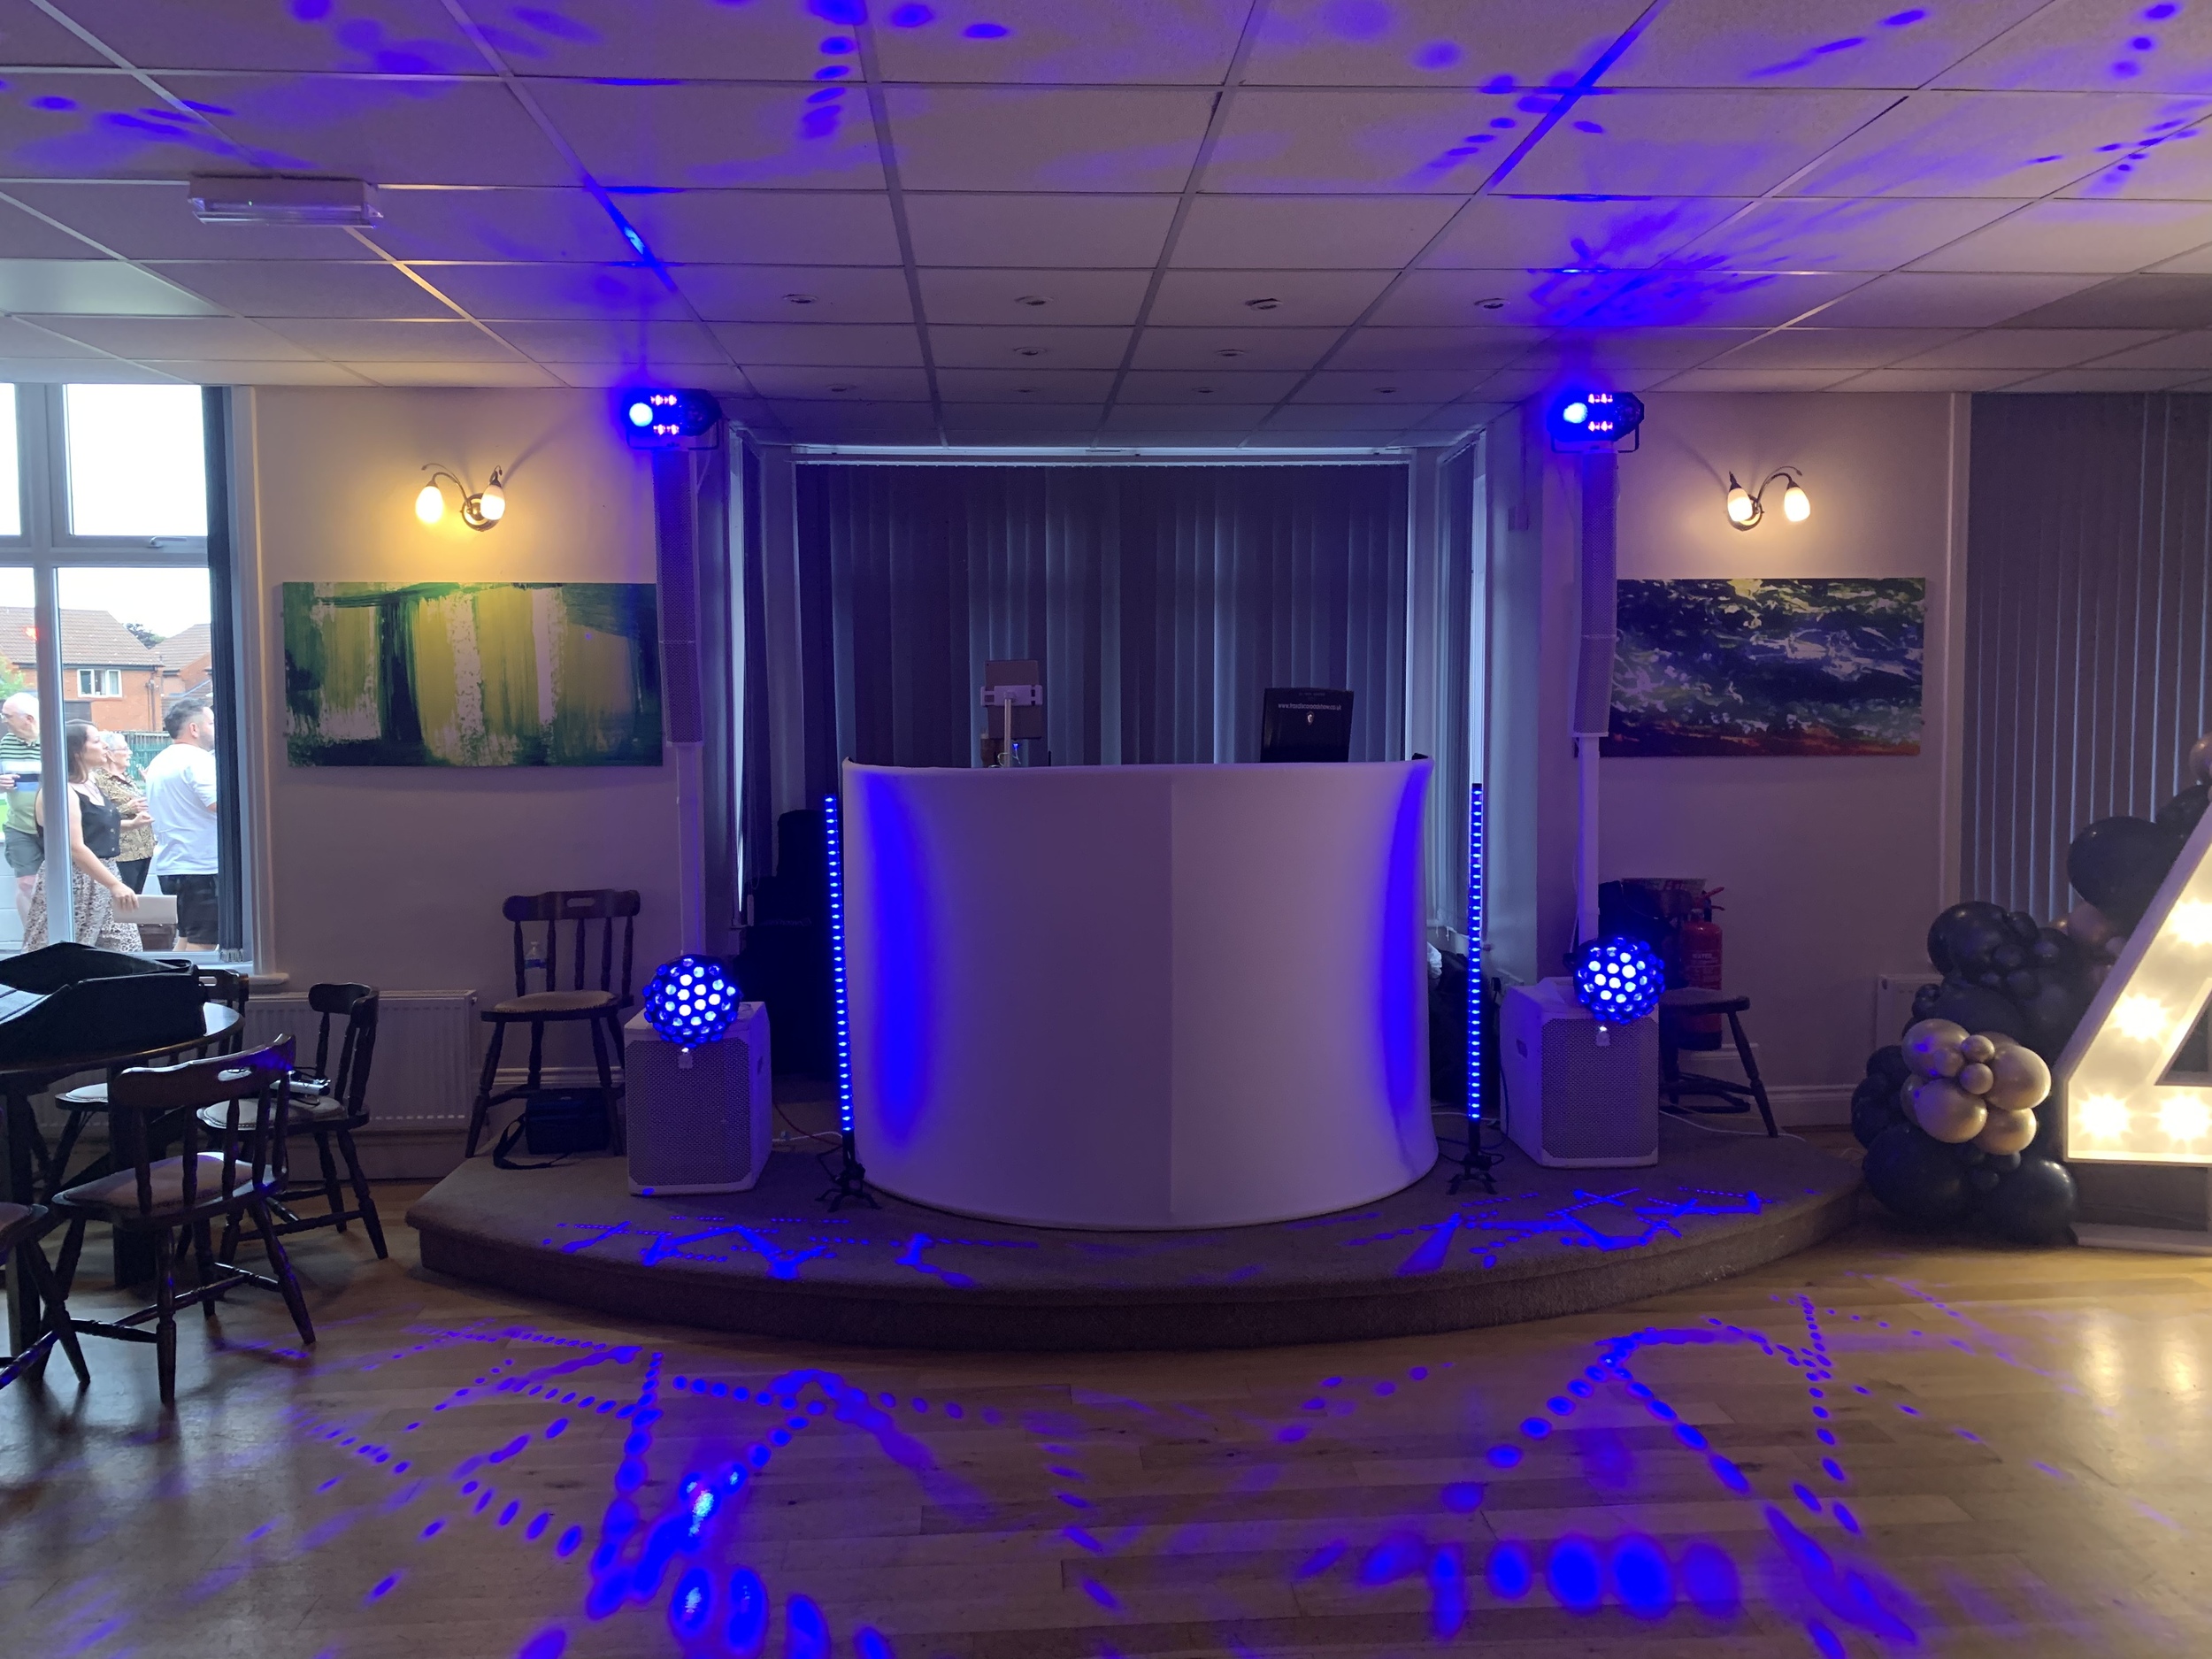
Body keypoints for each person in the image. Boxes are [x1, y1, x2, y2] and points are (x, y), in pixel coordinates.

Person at [26, 720, 142, 952]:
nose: (105, 746)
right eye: (97, 741)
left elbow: (92, 828)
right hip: (75, 878)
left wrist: (131, 825)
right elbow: (74, 847)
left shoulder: (90, 783)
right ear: (77, 751)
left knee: (126, 948)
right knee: (63, 949)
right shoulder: (61, 790)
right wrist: (114, 884)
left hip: (103, 873)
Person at [145, 698, 219, 951]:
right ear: (194, 729)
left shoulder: (160, 761)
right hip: (201, 867)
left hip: (173, 865)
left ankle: (172, 978)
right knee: (204, 944)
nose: (216, 728)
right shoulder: (198, 761)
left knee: (186, 939)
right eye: (211, 723)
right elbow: (219, 804)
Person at [95, 732, 155, 894]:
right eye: (125, 749)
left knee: (136, 898)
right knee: (123, 899)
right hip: (123, 853)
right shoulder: (98, 780)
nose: (130, 753)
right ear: (110, 754)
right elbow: (98, 816)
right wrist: (127, 808)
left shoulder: (126, 778)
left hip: (143, 850)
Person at [0, 691, 40, 927]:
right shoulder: (5, 744)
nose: (4, 720)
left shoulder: (56, 739)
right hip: (19, 826)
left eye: (8, 716)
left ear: (29, 719)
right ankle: (33, 939)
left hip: (56, 827)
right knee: (26, 883)